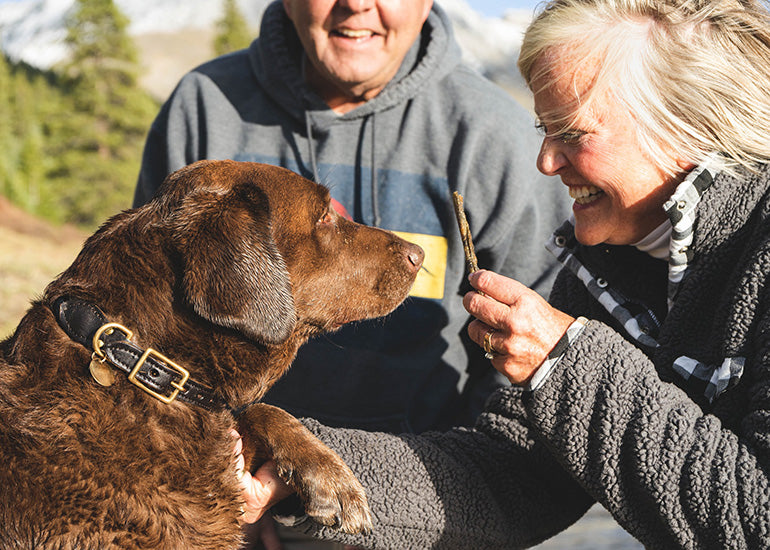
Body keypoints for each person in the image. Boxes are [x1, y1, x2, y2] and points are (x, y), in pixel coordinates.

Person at [237, 0, 770, 547]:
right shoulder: (605, 268)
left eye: (573, 132)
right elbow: (511, 478)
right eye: (545, 128)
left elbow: (754, 517)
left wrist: (564, 364)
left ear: (689, 122)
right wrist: (298, 468)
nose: (545, 162)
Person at [135, 0, 568, 547]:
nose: (357, 4)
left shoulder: (492, 135)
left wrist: (448, 511)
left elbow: (536, 374)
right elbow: (148, 337)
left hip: (428, 514)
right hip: (232, 513)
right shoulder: (203, 110)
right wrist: (219, 488)